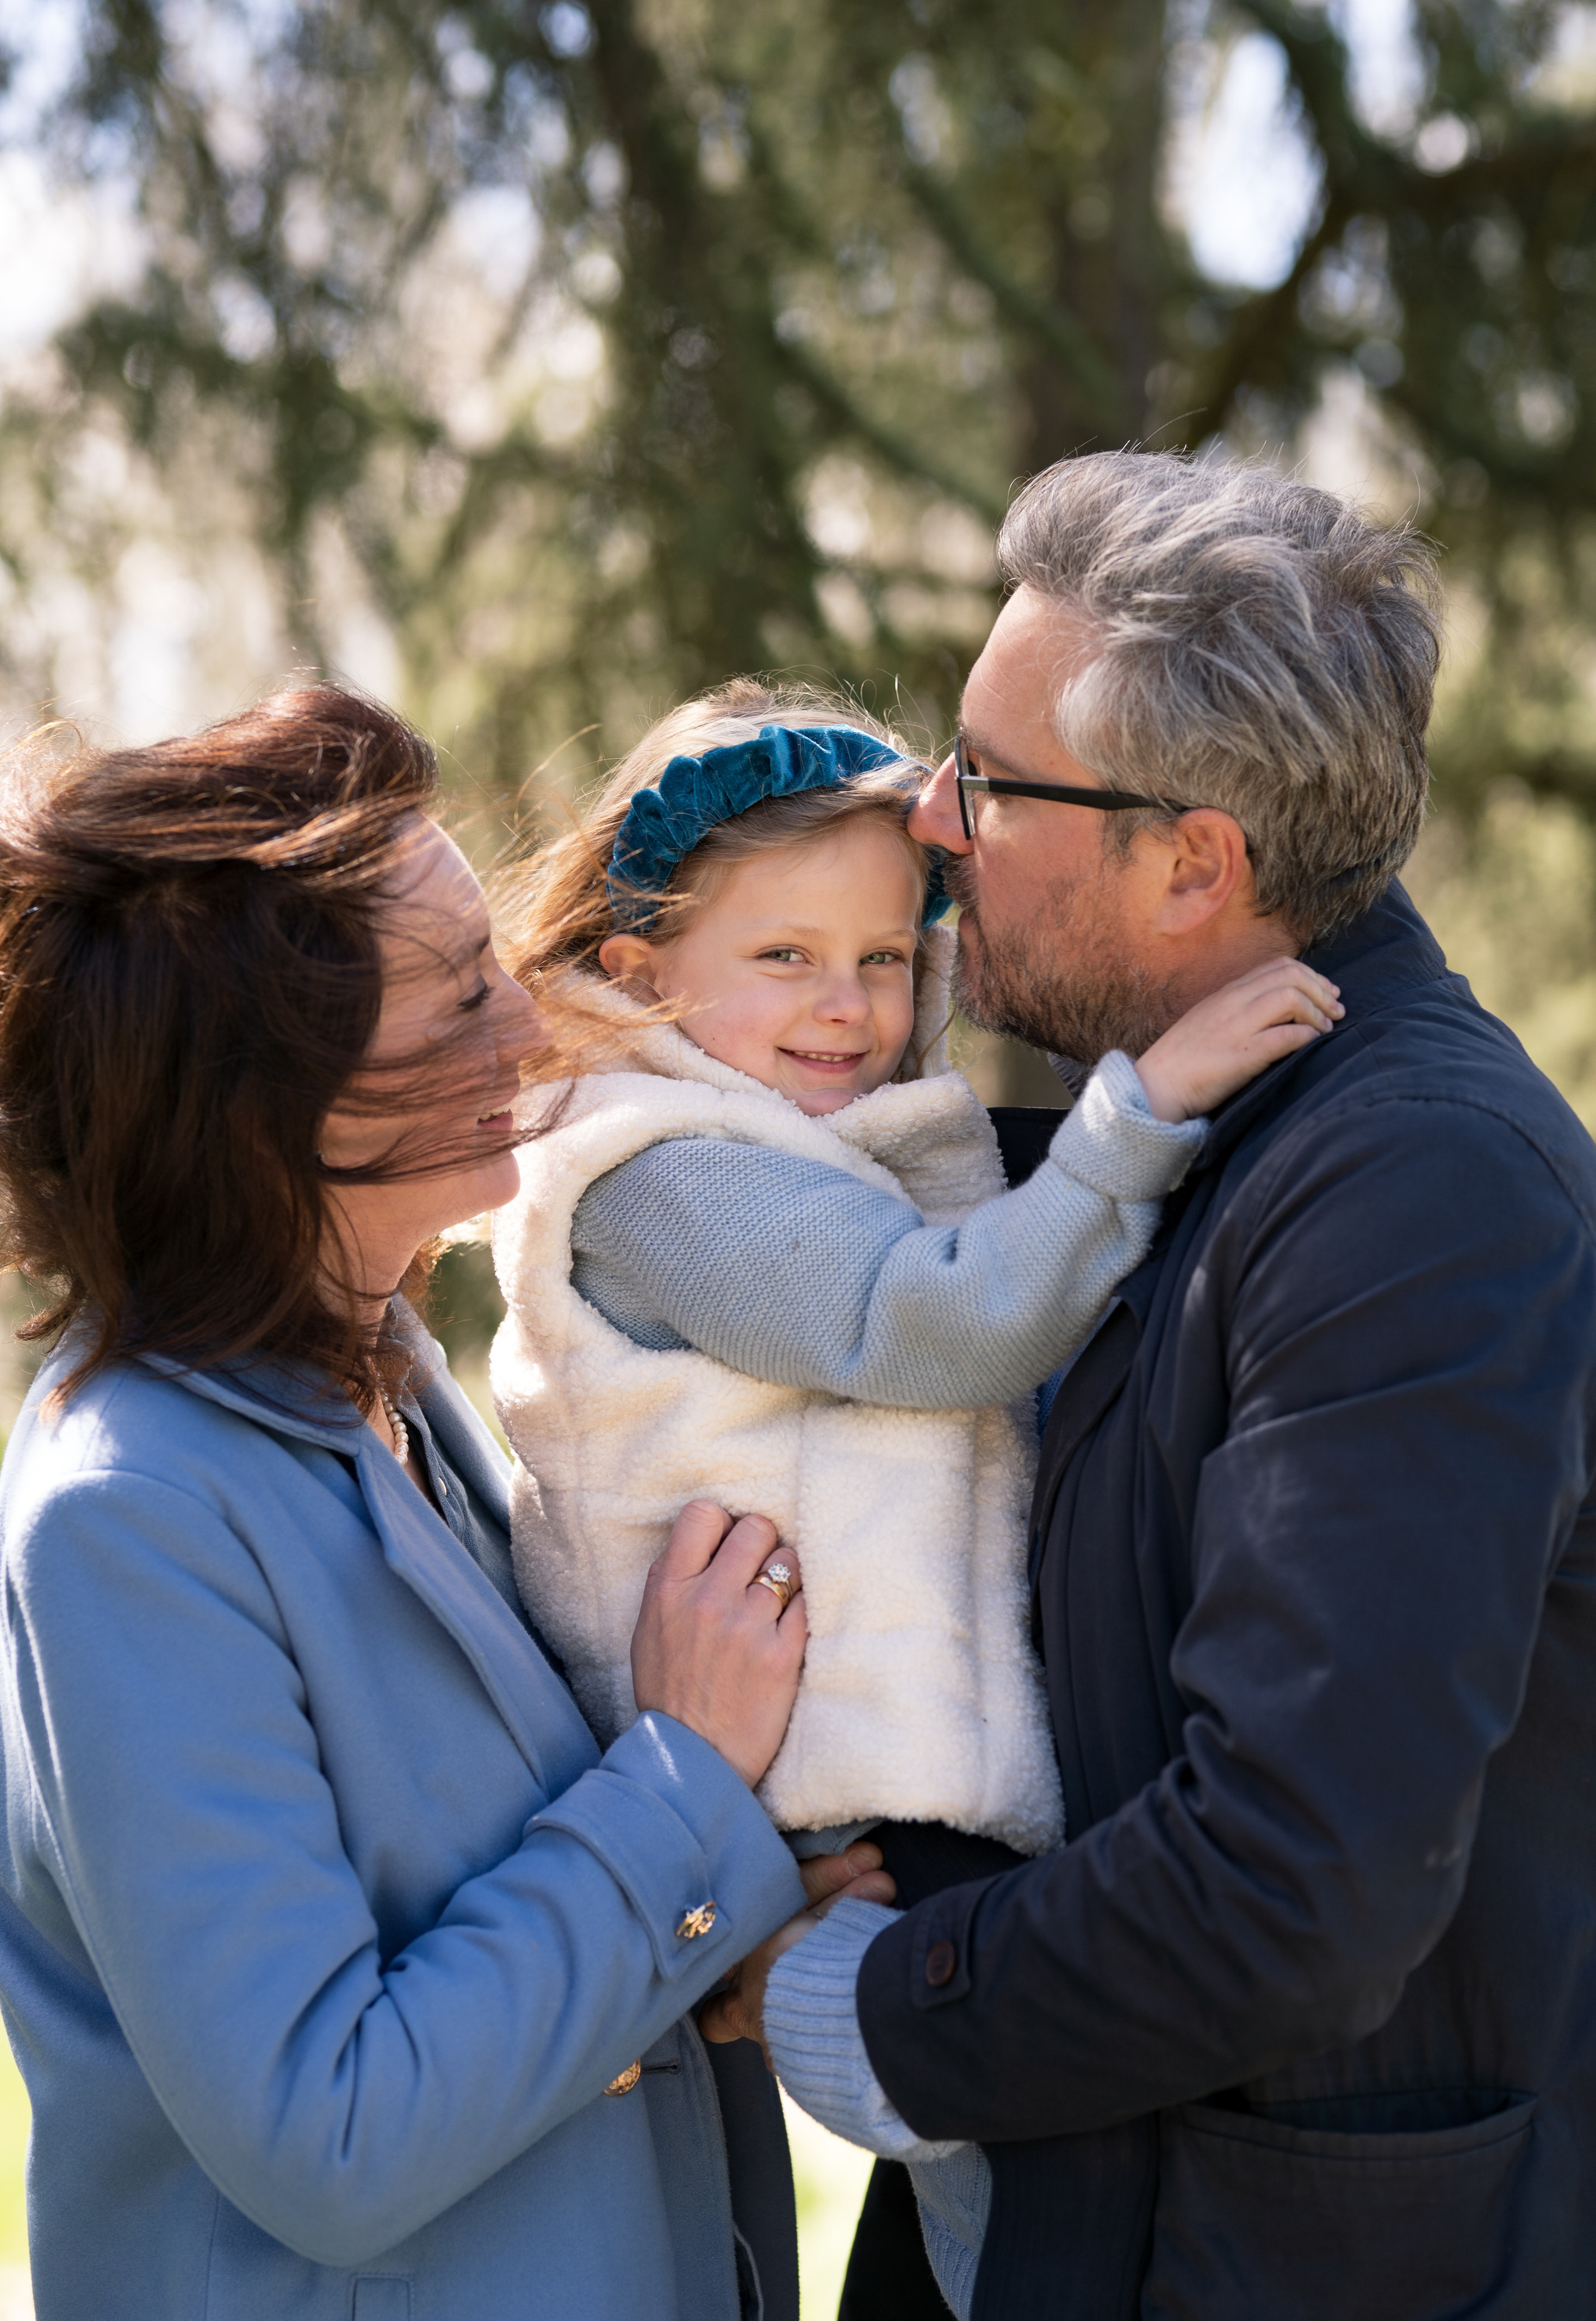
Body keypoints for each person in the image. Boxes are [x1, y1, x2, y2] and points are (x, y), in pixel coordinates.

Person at [704, 451, 1596, 2321]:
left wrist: (853, 1995)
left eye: (993, 779)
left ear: (1197, 862)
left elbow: (1295, 1876)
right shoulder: (1162, 1120)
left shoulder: (1425, 1191)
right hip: (1078, 2212)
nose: (932, 818)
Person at [0, 685, 888, 2321]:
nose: (537, 1032)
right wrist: (685, 1784)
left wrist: (732, 1912)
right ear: (275, 1111)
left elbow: (488, 1891)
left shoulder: (388, 1372)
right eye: (461, 999)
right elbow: (329, 2131)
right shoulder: (125, 1518)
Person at [490, 683, 1339, 1868]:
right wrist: (1142, 1106)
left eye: (884, 956)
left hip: (881, 1778)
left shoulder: (802, 1141)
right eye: (785, 955)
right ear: (640, 976)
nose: (846, 1005)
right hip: (802, 1803)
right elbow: (929, 1319)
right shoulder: (655, 1170)